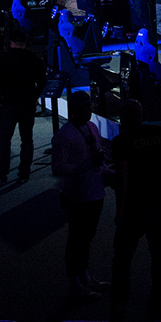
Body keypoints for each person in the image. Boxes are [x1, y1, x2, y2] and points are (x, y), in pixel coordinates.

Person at [110, 99, 161, 320]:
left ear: (122, 118)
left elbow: (123, 179)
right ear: (141, 114)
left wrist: (119, 212)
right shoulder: (158, 132)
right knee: (159, 254)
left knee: (122, 257)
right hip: (159, 203)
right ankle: (159, 298)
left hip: (134, 206)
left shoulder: (121, 141)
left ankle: (120, 302)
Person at [51, 91, 109, 299]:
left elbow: (97, 155)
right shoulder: (64, 135)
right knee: (77, 240)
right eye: (84, 107)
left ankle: (84, 277)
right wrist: (86, 165)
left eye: (89, 106)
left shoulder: (92, 127)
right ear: (74, 110)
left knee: (87, 238)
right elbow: (58, 168)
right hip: (78, 195)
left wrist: (105, 170)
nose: (88, 110)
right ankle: (75, 284)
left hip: (96, 191)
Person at [0, 31, 47, 183]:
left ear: (11, 42)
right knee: (27, 139)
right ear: (24, 43)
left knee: (4, 141)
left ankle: (1, 174)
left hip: (9, 104)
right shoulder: (33, 58)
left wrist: (1, 98)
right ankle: (24, 173)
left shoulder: (3, 58)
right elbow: (42, 81)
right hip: (27, 104)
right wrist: (34, 97)